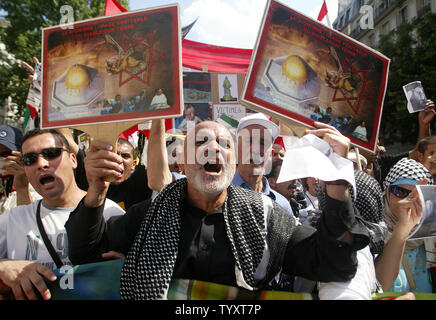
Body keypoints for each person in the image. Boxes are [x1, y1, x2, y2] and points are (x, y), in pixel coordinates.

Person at [65, 120, 369, 300]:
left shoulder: (266, 216)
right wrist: (96, 190)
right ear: (182, 161)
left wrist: (338, 185)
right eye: (201, 141)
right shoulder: (150, 216)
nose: (213, 148)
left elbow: (334, 265)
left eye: (224, 143)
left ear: (233, 162)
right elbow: (84, 255)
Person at [0, 128, 125, 300]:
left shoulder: (110, 213)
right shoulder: (12, 220)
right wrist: (4, 267)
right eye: (29, 159)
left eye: (51, 153)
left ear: (73, 160)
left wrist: (129, 265)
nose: (41, 164)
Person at [374, 157, 434, 293]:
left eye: (418, 196)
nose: (409, 200)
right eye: (400, 192)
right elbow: (378, 285)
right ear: (387, 193)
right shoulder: (373, 233)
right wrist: (403, 226)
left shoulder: (431, 236)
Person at [232, 113, 293, 215]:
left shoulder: (282, 205)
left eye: (263, 143)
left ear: (271, 154)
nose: (256, 149)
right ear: (236, 149)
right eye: (249, 141)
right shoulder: (218, 198)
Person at [0, 125, 42, 213]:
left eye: (6, 154)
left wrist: (22, 189)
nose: (2, 159)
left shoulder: (38, 187)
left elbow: (29, 223)